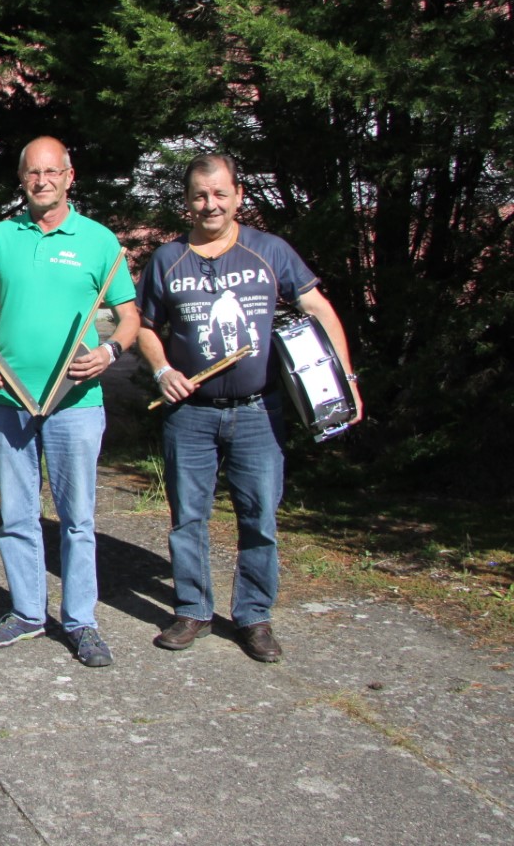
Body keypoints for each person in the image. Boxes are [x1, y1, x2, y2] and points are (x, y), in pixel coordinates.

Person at [137, 153, 363, 663]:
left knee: (259, 517)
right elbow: (145, 327)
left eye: (220, 193)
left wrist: (345, 381)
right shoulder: (168, 258)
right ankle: (192, 610)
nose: (210, 204)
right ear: (187, 201)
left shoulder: (269, 251)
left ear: (238, 195)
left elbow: (317, 307)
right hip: (190, 414)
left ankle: (254, 616)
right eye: (200, 195)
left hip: (259, 412)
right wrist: (162, 371)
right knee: (187, 517)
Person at [0, 137, 138, 669]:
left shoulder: (99, 240)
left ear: (69, 176)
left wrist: (109, 352)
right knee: (16, 515)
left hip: (76, 401)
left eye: (51, 172)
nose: (41, 181)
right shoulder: (0, 236)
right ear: (21, 179)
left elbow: (129, 317)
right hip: (10, 398)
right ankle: (26, 612)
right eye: (32, 173)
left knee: (77, 519)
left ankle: (81, 621)